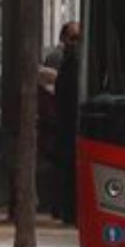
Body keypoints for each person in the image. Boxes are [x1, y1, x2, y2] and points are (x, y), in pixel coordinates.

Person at [53, 20, 81, 225]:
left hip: (68, 123)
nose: (75, 43)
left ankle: (66, 209)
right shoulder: (61, 59)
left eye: (78, 38)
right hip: (67, 124)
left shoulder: (78, 61)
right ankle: (65, 209)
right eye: (73, 38)